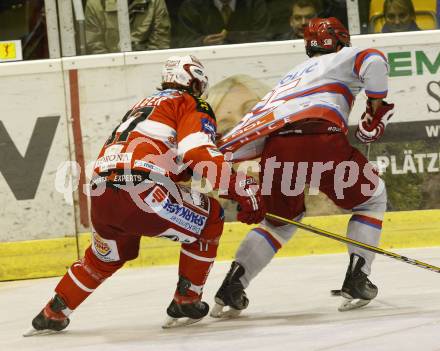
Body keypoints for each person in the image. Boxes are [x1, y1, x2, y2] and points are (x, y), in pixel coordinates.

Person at [25, 55, 265, 335]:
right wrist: (241, 188)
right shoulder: (191, 103)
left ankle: (54, 311)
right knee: (211, 217)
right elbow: (198, 152)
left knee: (105, 257)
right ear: (197, 81)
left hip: (101, 189)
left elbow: (168, 158)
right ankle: (187, 299)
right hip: (142, 188)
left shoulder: (143, 105)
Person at [210, 17, 394, 317]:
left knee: (279, 221)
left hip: (278, 147)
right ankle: (357, 277)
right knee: (372, 199)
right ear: (340, 39)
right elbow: (374, 60)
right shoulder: (343, 56)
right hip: (321, 140)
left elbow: (253, 128)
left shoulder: (291, 76)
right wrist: (376, 107)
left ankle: (232, 286)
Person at [85, 0, 171, 54]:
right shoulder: (95, 4)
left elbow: (160, 45)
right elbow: (96, 47)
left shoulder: (155, 2)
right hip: (111, 70)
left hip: (147, 67)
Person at [174, 0, 270, 48]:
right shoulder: (191, 6)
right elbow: (181, 41)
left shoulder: (254, 3)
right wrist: (202, 42)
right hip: (205, 64)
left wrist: (232, 36)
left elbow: (265, 37)